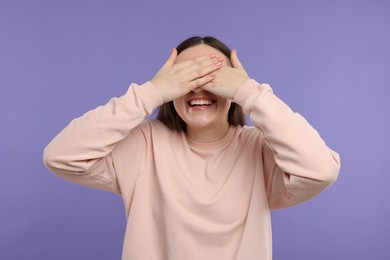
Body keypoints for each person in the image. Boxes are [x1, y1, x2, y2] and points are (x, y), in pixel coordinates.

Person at [43, 36, 340, 260]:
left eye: (212, 76)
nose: (198, 88)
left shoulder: (258, 148)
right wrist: (151, 92)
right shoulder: (146, 143)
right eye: (187, 77)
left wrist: (250, 93)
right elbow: (61, 156)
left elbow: (320, 170)